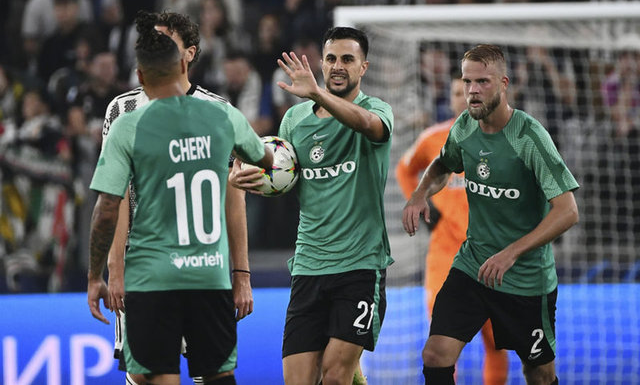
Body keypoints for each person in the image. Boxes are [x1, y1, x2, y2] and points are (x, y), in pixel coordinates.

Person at [87, 15, 273, 385]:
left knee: (158, 375)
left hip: (154, 272)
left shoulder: (135, 123)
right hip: (202, 268)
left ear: (186, 56)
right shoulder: (219, 115)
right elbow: (267, 160)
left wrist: (242, 273)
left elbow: (107, 203)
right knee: (214, 373)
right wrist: (115, 268)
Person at [402, 44, 579, 384]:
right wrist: (420, 194)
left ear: (503, 83)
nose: (472, 90)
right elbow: (442, 164)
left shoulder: (529, 137)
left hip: (525, 278)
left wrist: (511, 253)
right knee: (435, 354)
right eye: (467, 82)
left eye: (482, 82)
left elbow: (568, 211)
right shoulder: (464, 127)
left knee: (539, 373)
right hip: (472, 266)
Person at [231, 26, 393, 385]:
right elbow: (283, 177)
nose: (338, 66)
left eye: (347, 59)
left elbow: (368, 125)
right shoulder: (295, 119)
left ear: (363, 67)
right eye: (331, 58)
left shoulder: (377, 109)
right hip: (309, 265)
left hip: (360, 265)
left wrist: (318, 93)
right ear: (322, 63)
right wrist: (251, 178)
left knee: (334, 375)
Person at [395, 75, 509, 384]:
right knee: (443, 342)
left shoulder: (504, 139)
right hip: (446, 255)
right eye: (458, 92)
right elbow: (405, 169)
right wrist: (421, 203)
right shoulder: (433, 138)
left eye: (471, 90)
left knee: (496, 342)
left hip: (490, 255)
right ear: (450, 99)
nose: (465, 96)